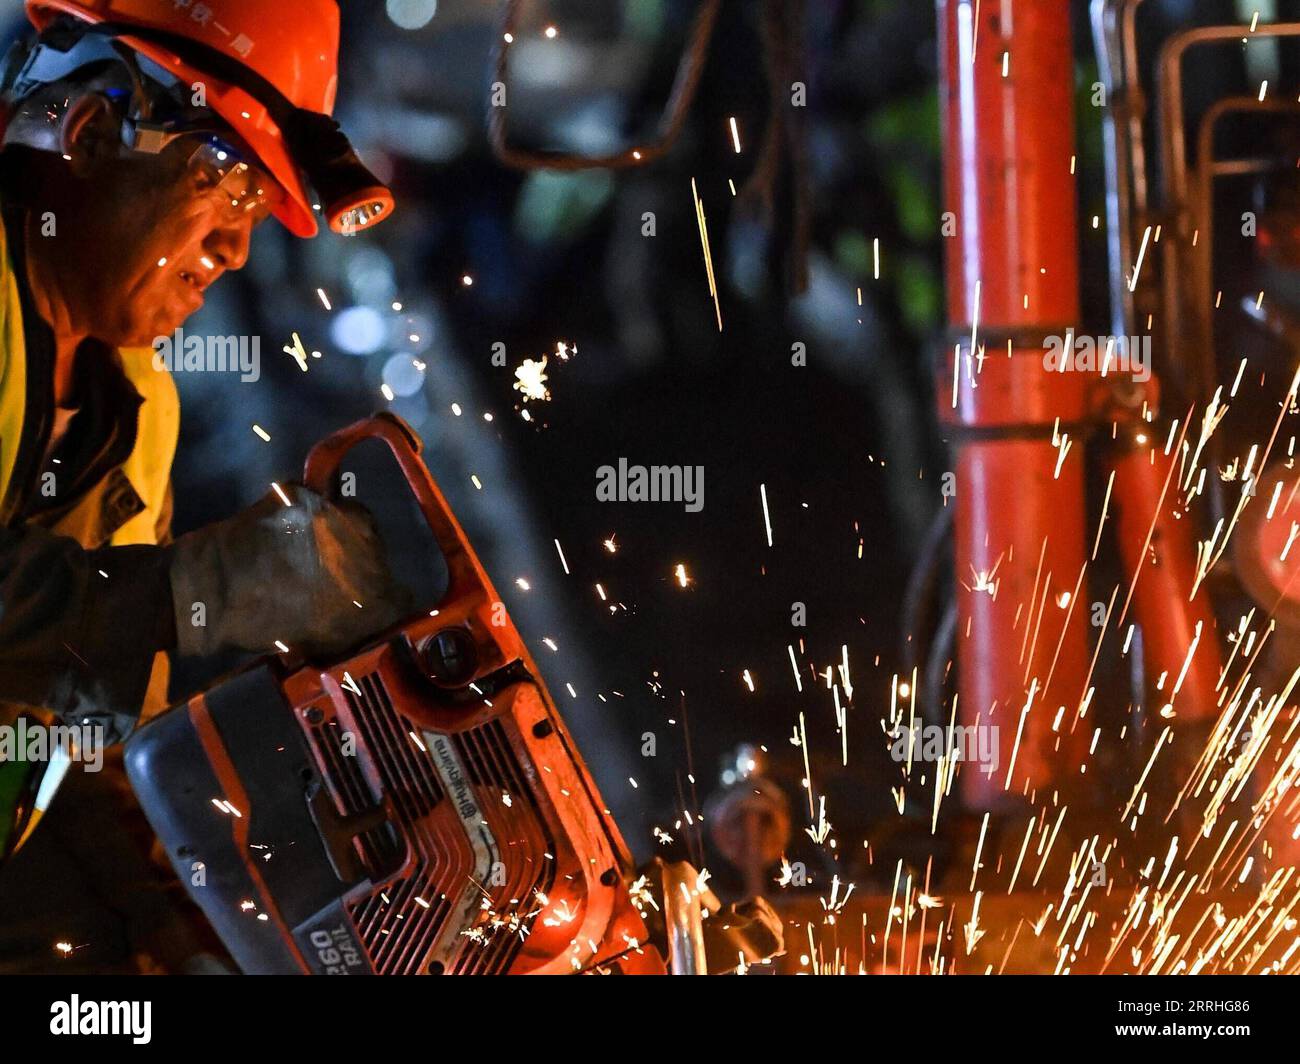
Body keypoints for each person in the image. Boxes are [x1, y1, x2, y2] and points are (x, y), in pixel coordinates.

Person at [0, 0, 403, 871]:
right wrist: (205, 589)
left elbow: (75, 725)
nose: (236, 246)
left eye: (260, 207)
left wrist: (166, 912)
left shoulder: (138, 410)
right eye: (230, 183)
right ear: (95, 131)